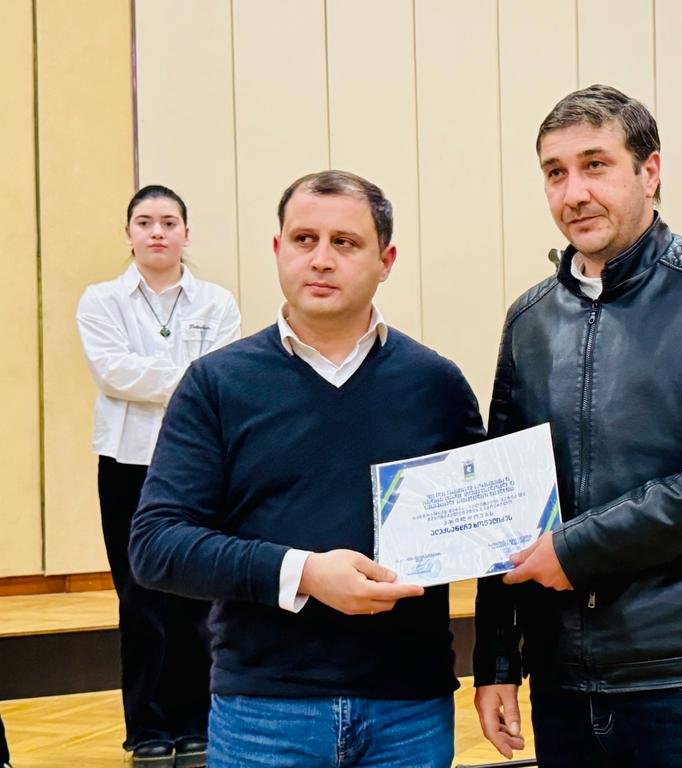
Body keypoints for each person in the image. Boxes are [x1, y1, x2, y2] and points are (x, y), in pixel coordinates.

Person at [473, 84, 682, 768]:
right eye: (555, 173)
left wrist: (580, 550)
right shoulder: (528, 319)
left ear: (650, 171)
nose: (574, 193)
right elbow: (502, 497)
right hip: (561, 680)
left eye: (595, 165)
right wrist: (496, 659)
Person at [129, 170, 484, 768]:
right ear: (277, 249)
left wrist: (498, 669)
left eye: (345, 242)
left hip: (409, 708)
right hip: (263, 710)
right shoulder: (216, 385)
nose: (321, 259)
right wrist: (304, 573)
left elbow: (489, 540)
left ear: (386, 260)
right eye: (303, 240)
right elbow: (157, 544)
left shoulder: (436, 385)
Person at [76, 185, 241, 767]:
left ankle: (196, 722)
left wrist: (179, 379)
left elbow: (220, 376)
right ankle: (146, 727)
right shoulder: (101, 300)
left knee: (196, 595)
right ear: (128, 233)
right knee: (139, 596)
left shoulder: (217, 302)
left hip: (197, 462)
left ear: (186, 234)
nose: (157, 232)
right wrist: (188, 379)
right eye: (145, 221)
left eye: (169, 222)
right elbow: (113, 372)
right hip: (126, 461)